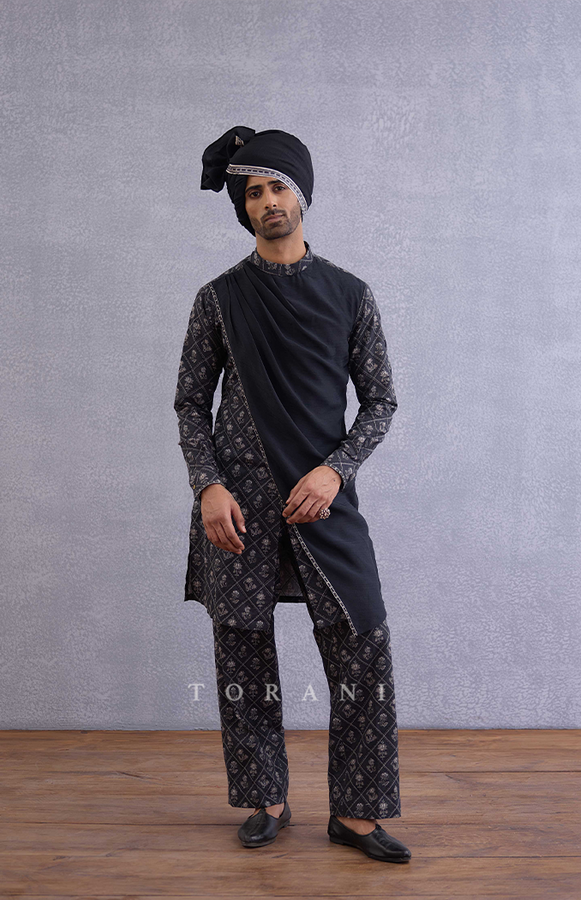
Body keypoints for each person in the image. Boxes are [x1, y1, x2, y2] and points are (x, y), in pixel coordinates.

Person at [174, 126, 411, 863]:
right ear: (243, 208)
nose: (267, 201)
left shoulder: (350, 294)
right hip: (237, 501)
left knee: (362, 640)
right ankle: (266, 800)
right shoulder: (219, 300)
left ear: (301, 194)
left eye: (278, 186)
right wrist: (208, 485)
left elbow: (380, 403)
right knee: (242, 646)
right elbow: (190, 403)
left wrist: (336, 470)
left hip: (321, 496)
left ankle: (358, 815)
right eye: (253, 192)